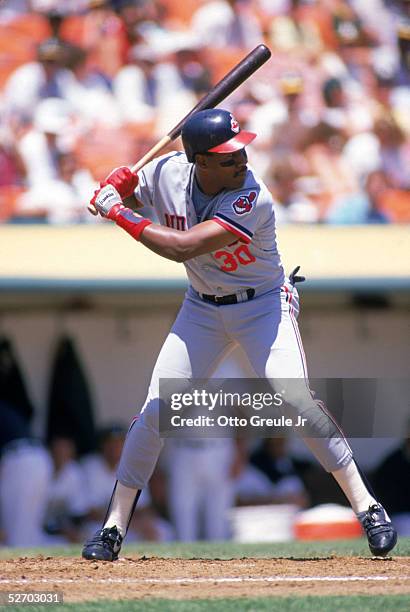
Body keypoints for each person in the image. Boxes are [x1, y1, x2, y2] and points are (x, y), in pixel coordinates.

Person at [82, 108, 397, 561]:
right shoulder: (166, 173)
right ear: (200, 162)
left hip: (263, 303)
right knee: (155, 411)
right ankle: (112, 527)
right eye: (228, 156)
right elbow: (135, 200)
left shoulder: (252, 197)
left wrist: (117, 212)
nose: (242, 160)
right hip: (202, 307)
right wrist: (119, 189)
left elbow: (181, 247)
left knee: (295, 399)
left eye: (241, 150)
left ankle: (368, 509)